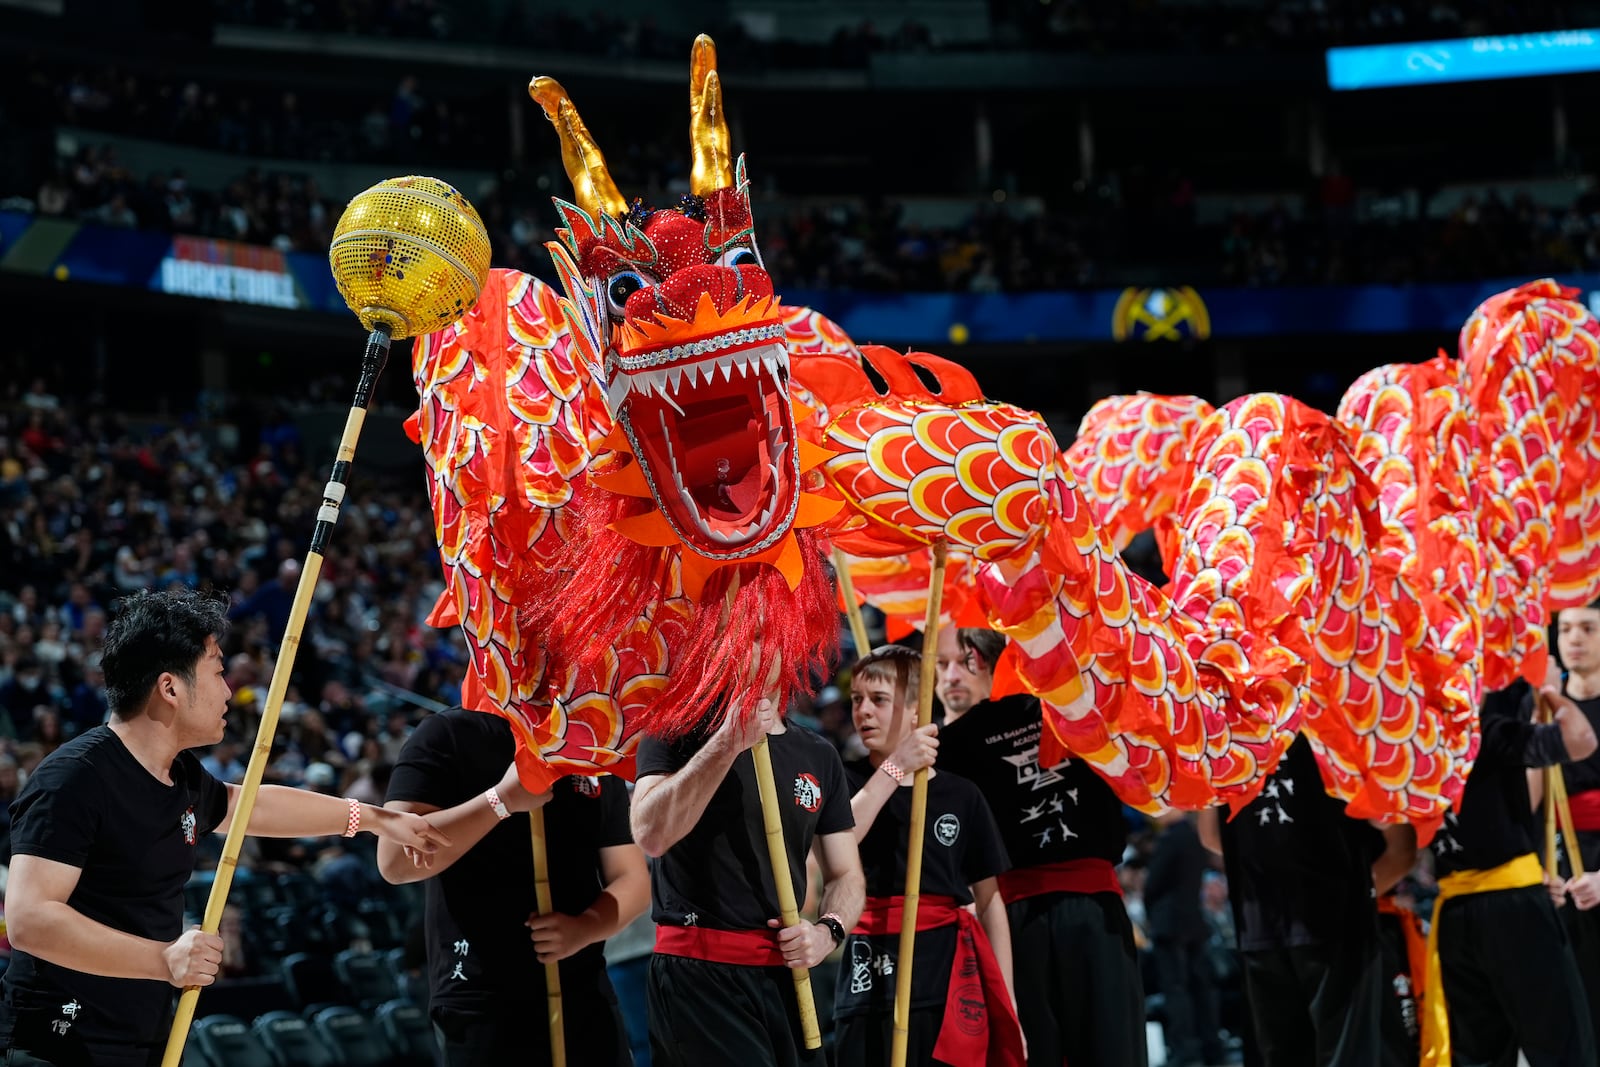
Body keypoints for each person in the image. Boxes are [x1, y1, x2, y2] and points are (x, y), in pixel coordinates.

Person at [0, 588, 449, 1067]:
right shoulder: (74, 778)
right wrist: (163, 959)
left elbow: (247, 807)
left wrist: (374, 819)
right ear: (170, 688)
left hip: (141, 1036)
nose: (229, 689)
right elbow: (29, 920)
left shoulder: (180, 775)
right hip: (57, 1044)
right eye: (217, 670)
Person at [377, 706, 649, 1067]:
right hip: (482, 996)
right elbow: (395, 861)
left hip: (584, 990)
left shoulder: (591, 743)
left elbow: (631, 877)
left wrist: (586, 927)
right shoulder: (446, 733)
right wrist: (500, 802)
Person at [630, 652, 865, 1067]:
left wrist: (828, 932)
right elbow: (651, 834)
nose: (744, 645)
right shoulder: (674, 728)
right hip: (699, 974)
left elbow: (846, 875)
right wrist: (726, 742)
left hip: (788, 976)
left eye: (760, 633)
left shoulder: (818, 753)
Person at [932, 626, 1148, 1067]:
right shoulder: (1080, 705)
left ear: (991, 662)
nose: (952, 675)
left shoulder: (960, 741)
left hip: (1040, 915)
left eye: (964, 662)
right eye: (942, 666)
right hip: (1055, 912)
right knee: (1106, 1047)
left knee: (1043, 1050)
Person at [831, 645, 1022, 1067]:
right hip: (870, 964)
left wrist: (1006, 1002)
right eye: (857, 700)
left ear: (917, 709)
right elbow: (840, 843)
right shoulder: (843, 777)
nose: (863, 712)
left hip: (946, 972)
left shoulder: (962, 794)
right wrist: (895, 769)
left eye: (878, 700)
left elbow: (989, 900)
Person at [1197, 734, 1416, 1067]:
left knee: (1283, 1055)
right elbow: (1401, 845)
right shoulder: (1334, 722)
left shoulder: (1230, 730)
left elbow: (1211, 836)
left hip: (1261, 922)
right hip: (1334, 922)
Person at [1423, 679, 1597, 1067]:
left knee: (1476, 1056)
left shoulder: (1409, 743)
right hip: (1513, 906)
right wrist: (1549, 688)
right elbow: (1581, 740)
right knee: (1564, 1049)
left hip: (1454, 910)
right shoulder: (1487, 729)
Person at [1543, 599, 1600, 1040]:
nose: (1575, 640)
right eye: (1565, 630)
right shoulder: (1543, 714)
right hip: (1560, 872)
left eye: (1588, 629)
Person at [1147, 810, 1225, 1067]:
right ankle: (1212, 1047)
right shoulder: (1194, 836)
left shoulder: (1171, 838)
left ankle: (1186, 1051)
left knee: (1176, 990)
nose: (1155, 815)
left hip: (1169, 924)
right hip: (1194, 921)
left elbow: (1153, 884)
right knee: (1202, 989)